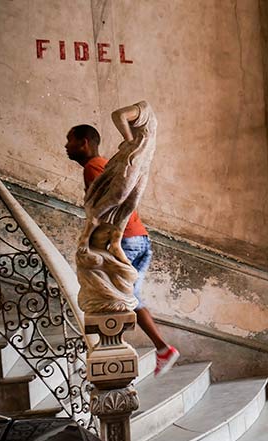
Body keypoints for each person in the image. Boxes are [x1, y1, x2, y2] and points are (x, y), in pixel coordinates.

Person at [66, 106, 179, 377]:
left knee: (117, 297)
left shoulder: (94, 167)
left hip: (124, 240)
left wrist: (89, 234)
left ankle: (145, 349)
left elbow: (105, 209)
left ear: (84, 143)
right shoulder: (107, 164)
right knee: (129, 297)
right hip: (140, 239)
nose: (65, 146)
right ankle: (160, 348)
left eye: (69, 140)